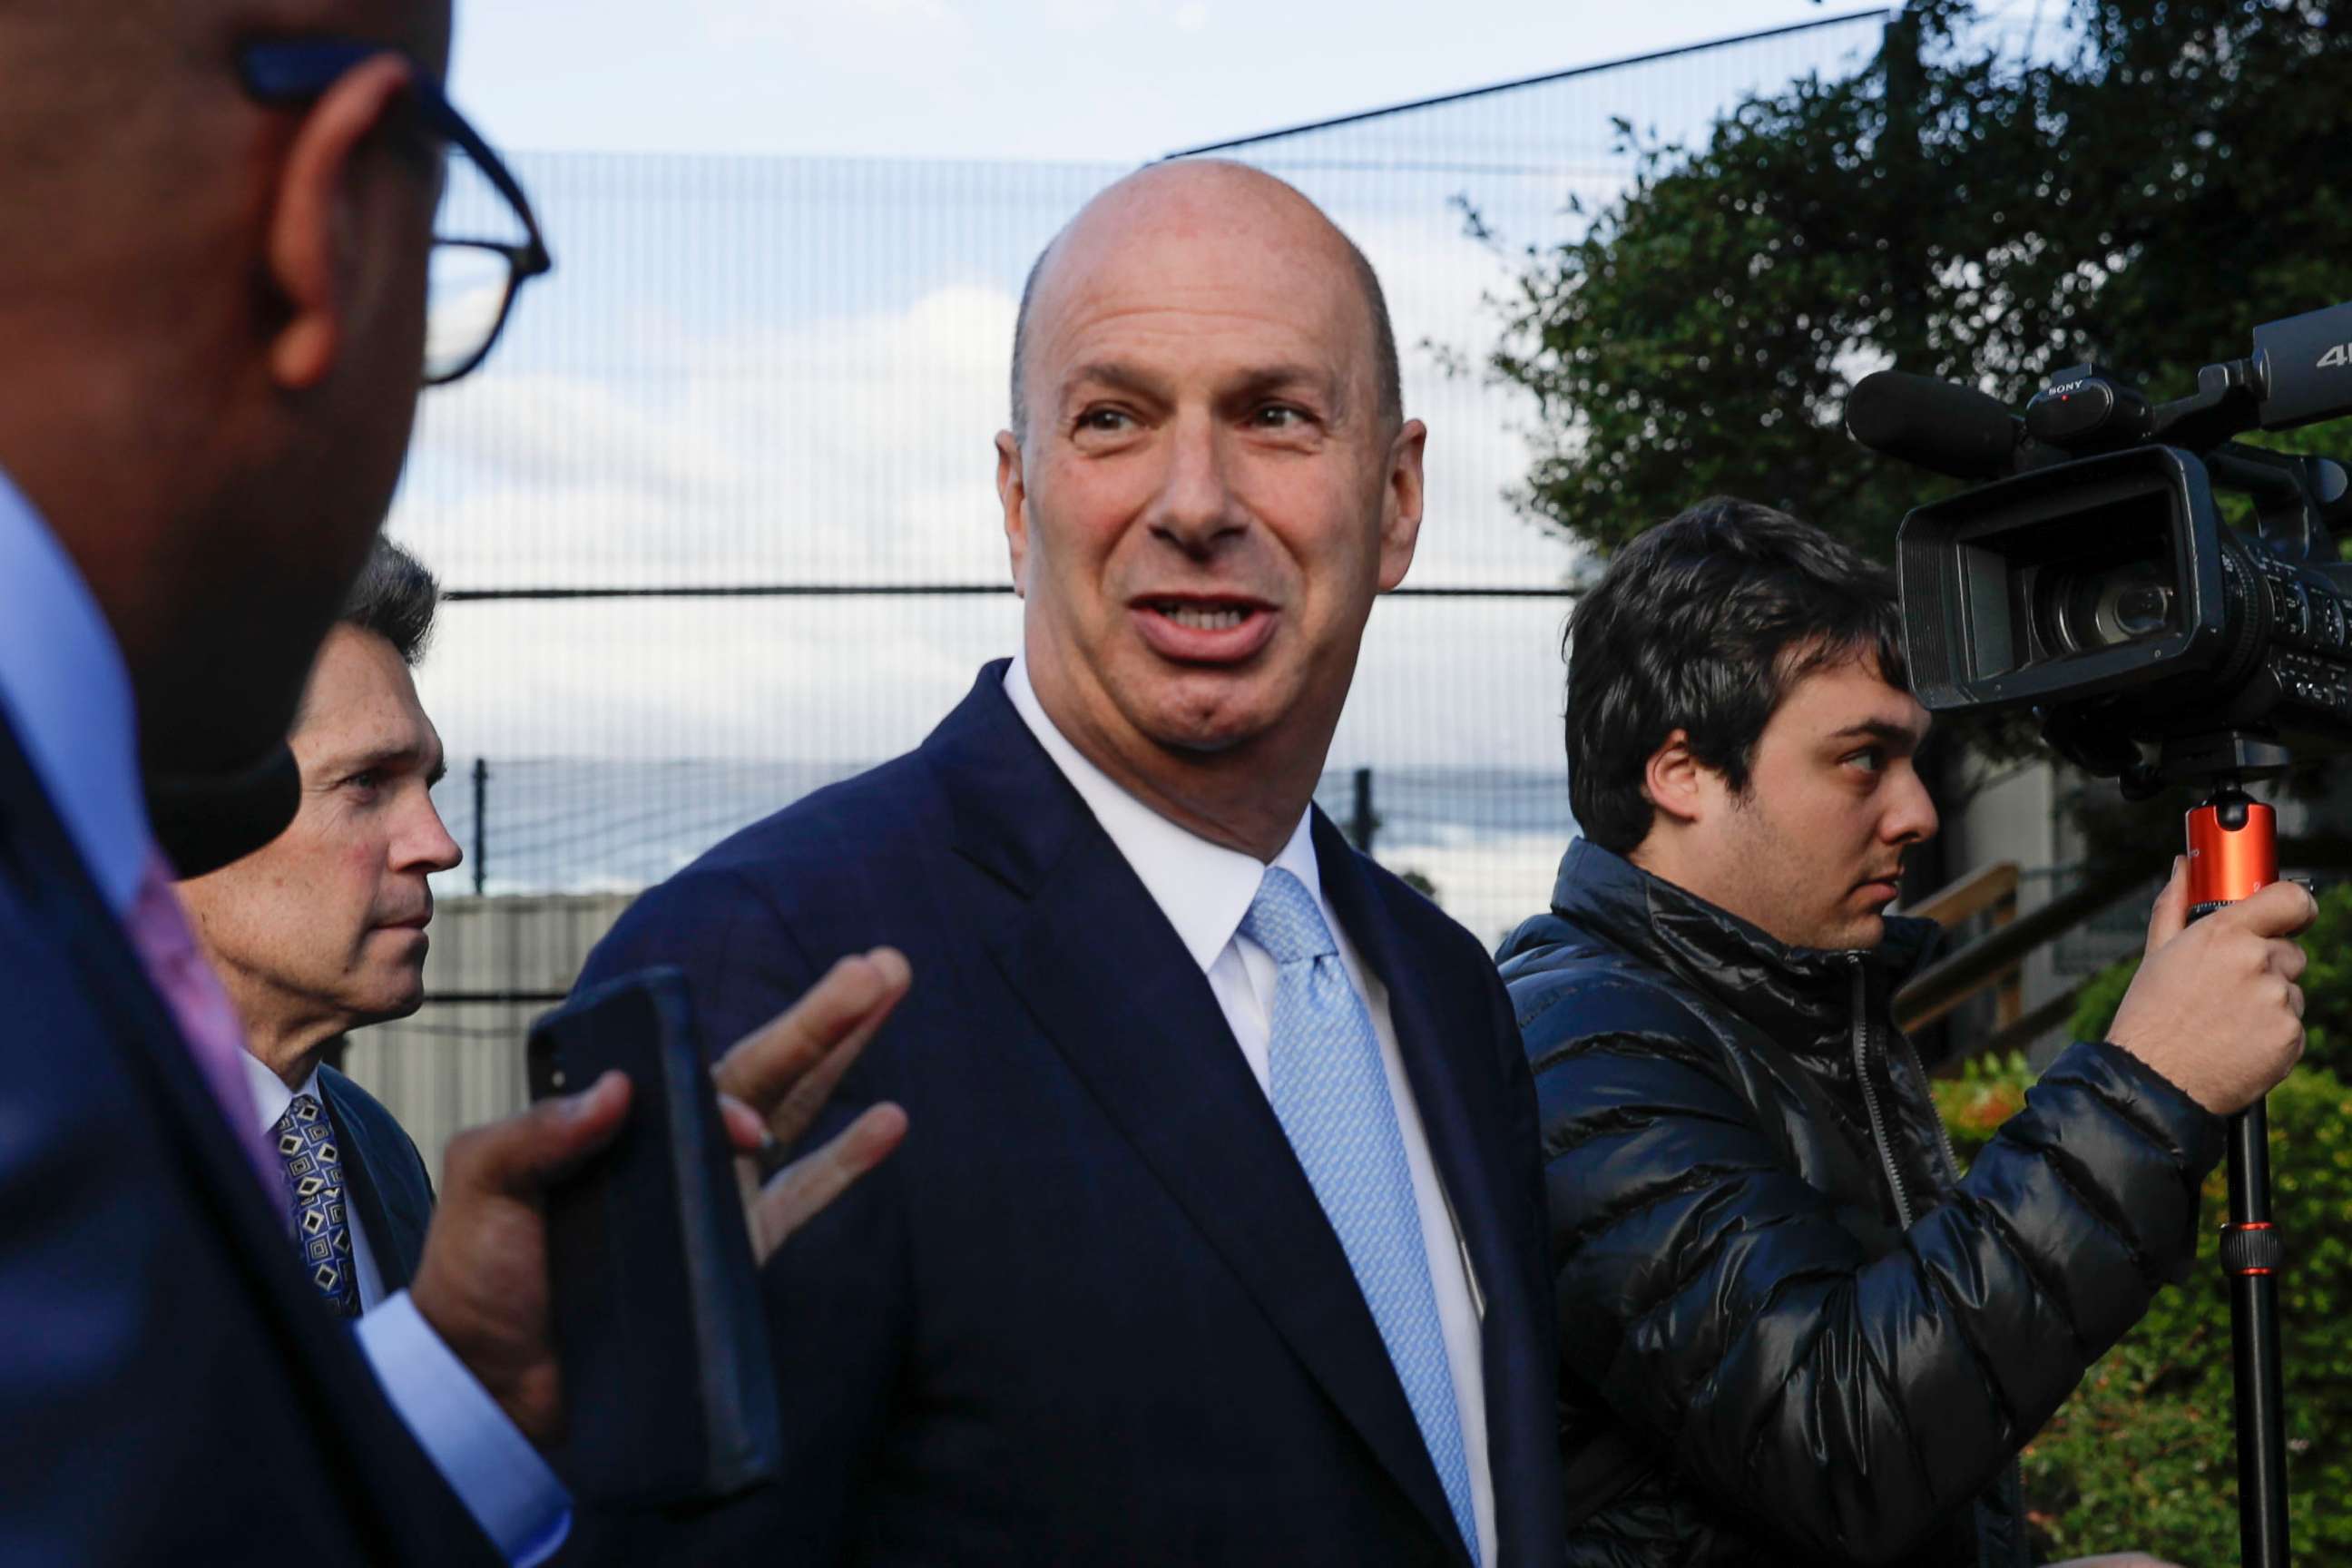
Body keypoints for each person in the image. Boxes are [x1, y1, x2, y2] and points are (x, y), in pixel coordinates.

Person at [0, 5, 904, 1563]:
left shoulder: (346, 1156)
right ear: (327, 226)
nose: (438, 844)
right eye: (363, 786)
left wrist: (464, 1384)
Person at [577, 159, 1563, 1566]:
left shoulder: (1451, 997)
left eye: (1275, 415)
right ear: (1017, 494)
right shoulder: (768, 968)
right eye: (1114, 419)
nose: (1196, 499)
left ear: (1397, 498)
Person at [1497, 498, 2312, 1567]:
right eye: (1860, 759)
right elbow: (1838, 1444)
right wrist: (2145, 1085)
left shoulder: (1778, 1003)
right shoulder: (1583, 1042)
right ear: (1682, 772)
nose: (1917, 813)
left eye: (1912, 758)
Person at [177, 538, 460, 1309]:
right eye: (367, 782)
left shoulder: (377, 1148)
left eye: (425, 784)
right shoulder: (52, 1157)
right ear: (187, 807)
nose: (439, 845)